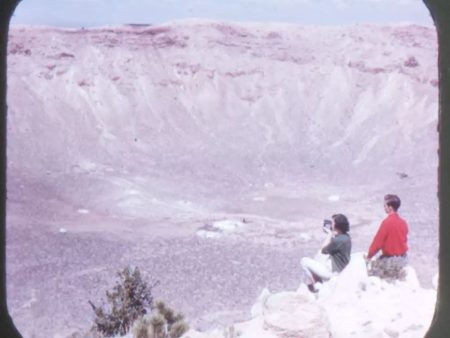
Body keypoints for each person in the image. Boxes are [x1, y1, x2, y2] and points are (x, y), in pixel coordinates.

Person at [301, 214, 352, 293]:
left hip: (333, 273)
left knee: (303, 261)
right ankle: (318, 281)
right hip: (342, 269)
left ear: (337, 225)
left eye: (332, 223)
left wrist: (329, 234)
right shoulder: (347, 237)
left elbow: (323, 250)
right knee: (319, 258)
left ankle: (315, 285)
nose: (331, 224)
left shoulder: (337, 240)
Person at [366, 194, 409, 281]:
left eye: (385, 206)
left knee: (370, 275)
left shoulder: (387, 223)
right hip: (402, 259)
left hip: (389, 261)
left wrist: (369, 256)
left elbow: (377, 243)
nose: (384, 208)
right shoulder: (403, 222)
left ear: (390, 208)